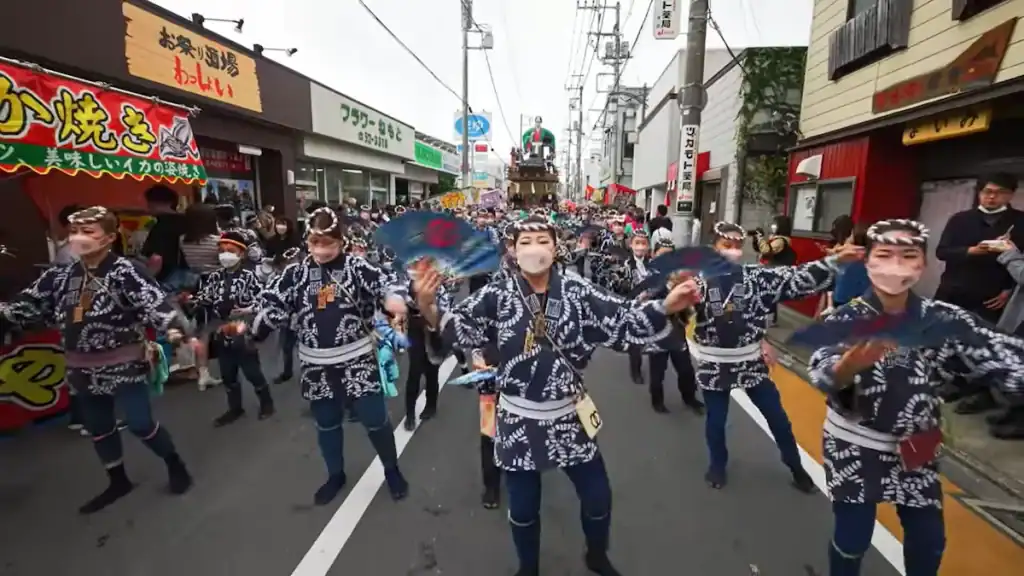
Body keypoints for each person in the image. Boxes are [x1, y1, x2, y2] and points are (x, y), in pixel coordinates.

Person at [412, 216, 700, 576]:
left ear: (555, 247)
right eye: (526, 241)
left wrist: (667, 306)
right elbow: (459, 330)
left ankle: (596, 555)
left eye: (542, 240)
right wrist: (428, 306)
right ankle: (527, 568)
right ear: (513, 251)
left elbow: (622, 320)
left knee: (598, 496)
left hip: (568, 416)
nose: (535, 248)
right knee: (523, 508)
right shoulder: (497, 295)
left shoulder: (578, 291)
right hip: (518, 418)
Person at [807, 219, 1024, 576]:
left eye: (908, 256)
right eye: (885, 255)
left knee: (929, 540)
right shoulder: (844, 319)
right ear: (869, 263)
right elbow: (822, 369)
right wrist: (847, 367)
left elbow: (1004, 355)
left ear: (921, 265)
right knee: (853, 539)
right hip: (855, 442)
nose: (896, 266)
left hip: (919, 443)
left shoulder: (945, 319)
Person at [0, 206, 196, 513]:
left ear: (109, 237)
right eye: (74, 231)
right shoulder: (60, 275)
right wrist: (7, 313)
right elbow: (28, 305)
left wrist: (174, 329)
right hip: (80, 366)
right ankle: (117, 480)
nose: (78, 238)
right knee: (99, 426)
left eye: (87, 232)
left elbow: (154, 304)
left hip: (124, 362)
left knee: (140, 423)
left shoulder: (125, 271)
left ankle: (174, 463)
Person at [239, 207, 410, 505]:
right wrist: (255, 327)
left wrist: (394, 298)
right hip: (316, 363)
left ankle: (392, 469)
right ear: (308, 241)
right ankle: (335, 474)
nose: (322, 249)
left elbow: (388, 283)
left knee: (375, 419)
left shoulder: (357, 267)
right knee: (327, 423)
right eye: (316, 243)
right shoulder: (295, 273)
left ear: (340, 241)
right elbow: (271, 303)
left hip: (357, 358)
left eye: (329, 243)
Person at [688, 221, 859, 491]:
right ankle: (717, 465)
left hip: (750, 361)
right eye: (725, 246)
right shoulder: (697, 282)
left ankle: (795, 467)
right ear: (714, 248)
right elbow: (673, 308)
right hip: (714, 363)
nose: (732, 251)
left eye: (736, 246)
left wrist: (834, 262)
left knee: (778, 417)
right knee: (716, 421)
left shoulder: (756, 277)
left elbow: (794, 278)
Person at [194, 231, 275, 425]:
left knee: (252, 372)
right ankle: (235, 409)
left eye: (230, 251)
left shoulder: (249, 276)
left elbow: (264, 300)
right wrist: (192, 301)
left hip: (242, 330)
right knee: (228, 374)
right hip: (221, 331)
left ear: (241, 253)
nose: (225, 255)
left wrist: (247, 309)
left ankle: (267, 403)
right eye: (222, 251)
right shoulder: (214, 277)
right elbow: (205, 298)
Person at [645, 237, 703, 414]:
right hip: (658, 336)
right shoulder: (653, 282)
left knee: (686, 370)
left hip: (677, 335)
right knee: (657, 373)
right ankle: (657, 401)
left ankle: (690, 399)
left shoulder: (686, 284)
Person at [140, 185, 187, 286]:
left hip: (166, 279)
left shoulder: (162, 225)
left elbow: (156, 258)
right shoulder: (188, 221)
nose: (148, 206)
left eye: (151, 202)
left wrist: (146, 282)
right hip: (187, 278)